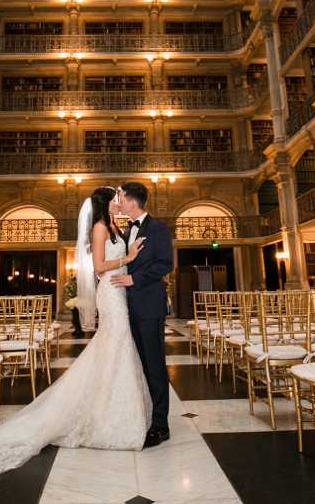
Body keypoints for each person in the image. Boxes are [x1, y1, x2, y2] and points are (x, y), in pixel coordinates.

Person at [0, 187, 151, 476]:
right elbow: (98, 267)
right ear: (107, 202)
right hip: (110, 290)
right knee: (114, 341)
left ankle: (113, 411)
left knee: (116, 346)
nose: (120, 201)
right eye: (116, 198)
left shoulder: (115, 226)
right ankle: (104, 417)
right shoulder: (98, 227)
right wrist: (128, 259)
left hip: (119, 292)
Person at [111, 182, 174, 448]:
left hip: (149, 307)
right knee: (139, 364)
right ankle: (147, 414)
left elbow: (165, 264)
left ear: (133, 202)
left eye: (122, 198)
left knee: (155, 366)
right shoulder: (126, 230)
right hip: (130, 307)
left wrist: (133, 280)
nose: (119, 202)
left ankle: (161, 425)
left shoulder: (158, 228)